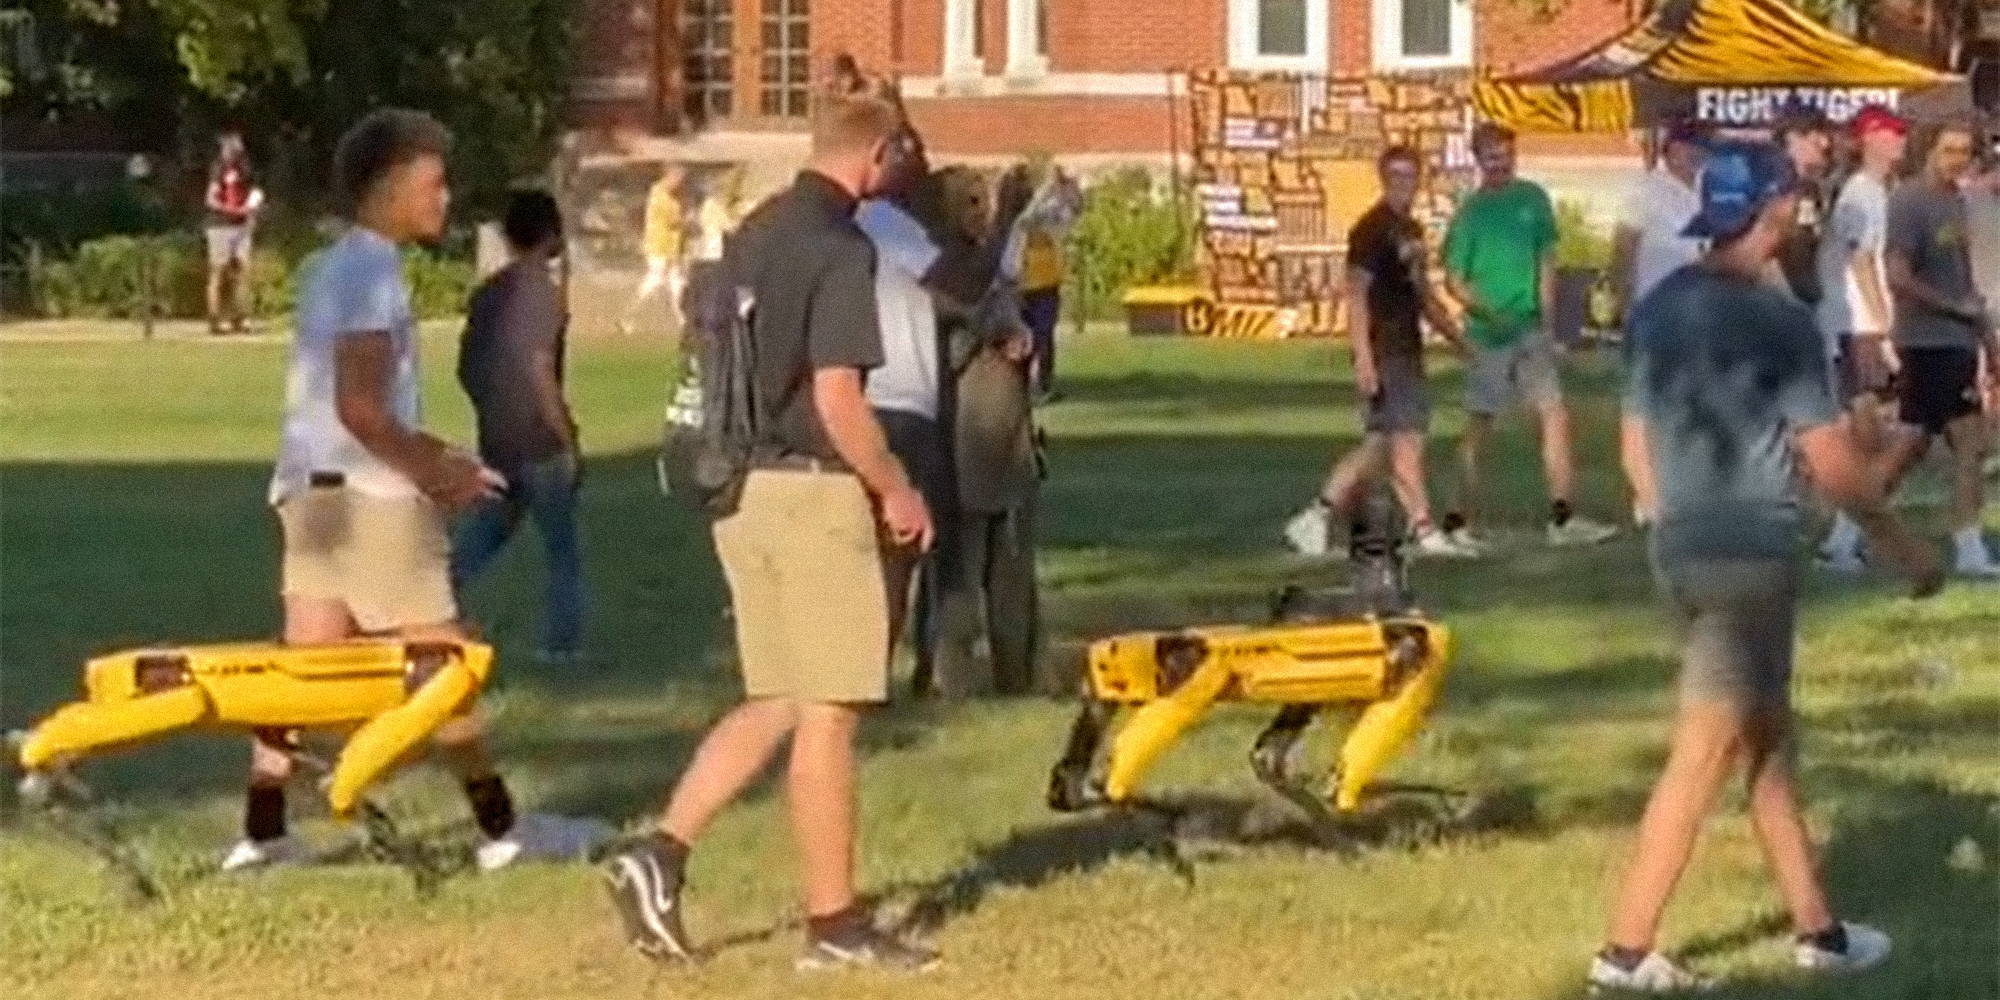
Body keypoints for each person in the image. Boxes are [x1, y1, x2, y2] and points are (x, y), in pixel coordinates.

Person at [603, 73, 943, 971]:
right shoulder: (842, 249)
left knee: (779, 697)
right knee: (830, 713)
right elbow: (839, 399)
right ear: (876, 155)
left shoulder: (756, 231)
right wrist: (896, 486)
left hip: (741, 488)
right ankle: (834, 928)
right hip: (811, 492)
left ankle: (659, 852)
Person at [1593, 140, 1944, 993]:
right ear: (1778, 210)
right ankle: (1626, 953)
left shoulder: (1660, 306)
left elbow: (1635, 442)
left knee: (1768, 746)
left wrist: (1667, 517)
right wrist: (1904, 550)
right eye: (1793, 203)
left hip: (1679, 550)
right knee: (1707, 747)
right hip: (1747, 560)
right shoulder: (1779, 323)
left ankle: (1818, 932)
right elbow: (1833, 467)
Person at [237, 109, 607, 875]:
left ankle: (264, 832)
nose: (446, 198)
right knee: (447, 666)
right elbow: (362, 409)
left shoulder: (330, 267)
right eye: (434, 183)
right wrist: (441, 471)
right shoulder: (372, 274)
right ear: (389, 188)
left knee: (297, 675)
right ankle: (501, 829)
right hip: (373, 502)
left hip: (312, 496)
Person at [1283, 145, 1476, 560]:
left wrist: (1456, 338)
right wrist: (1364, 358)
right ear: (1383, 177)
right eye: (1397, 175)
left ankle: (1319, 516)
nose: (1405, 183)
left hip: (1407, 346)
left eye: (1412, 175)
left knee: (1382, 445)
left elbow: (1423, 293)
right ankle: (1421, 527)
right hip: (1384, 348)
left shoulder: (1412, 231)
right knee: (1404, 443)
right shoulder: (1370, 230)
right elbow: (1355, 296)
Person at [1441, 121, 1621, 550]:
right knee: (1480, 423)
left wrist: (1546, 319)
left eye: (1506, 154)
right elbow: (1454, 280)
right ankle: (1454, 518)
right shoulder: (1470, 213)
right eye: (1491, 156)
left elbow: (1546, 260)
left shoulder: (1533, 199)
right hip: (1488, 334)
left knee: (1554, 414)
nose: (1500, 163)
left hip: (1531, 330)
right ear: (1478, 160)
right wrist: (1490, 313)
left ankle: (1563, 514)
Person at [451, 190, 586, 663]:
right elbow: (540, 368)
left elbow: (466, 369)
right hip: (539, 441)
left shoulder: (490, 294)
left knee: (488, 531)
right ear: (551, 233)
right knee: (561, 546)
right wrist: (563, 434)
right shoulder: (542, 294)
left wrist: (492, 408)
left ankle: (437, 597)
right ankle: (562, 641)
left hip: (499, 439)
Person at [1878, 118, 2000, 577]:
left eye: (1964, 152)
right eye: (1948, 150)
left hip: (1958, 340)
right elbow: (1897, 275)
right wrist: (1952, 308)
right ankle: (1967, 546)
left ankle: (1846, 532)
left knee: (1911, 443)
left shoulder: (1958, 202)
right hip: (1928, 341)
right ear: (1928, 150)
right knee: (1969, 444)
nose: (1956, 160)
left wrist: (1985, 336)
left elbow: (1965, 281)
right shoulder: (1910, 201)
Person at [1815, 106, 1909, 573]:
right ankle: (1843, 538)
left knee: (1875, 436)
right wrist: (1886, 323)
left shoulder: (1879, 192)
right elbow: (1860, 263)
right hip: (1856, 323)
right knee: (1870, 435)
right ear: (1871, 138)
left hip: (1862, 323)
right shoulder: (1861, 193)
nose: (1901, 142)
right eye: (1893, 134)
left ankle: (1847, 536)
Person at [1610, 118, 1711, 528]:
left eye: (1701, 148)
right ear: (1670, 150)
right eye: (1690, 147)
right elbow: (1622, 250)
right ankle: (1647, 500)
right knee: (1644, 407)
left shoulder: (1707, 190)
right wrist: (1623, 302)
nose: (1696, 155)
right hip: (1653, 311)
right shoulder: (1645, 191)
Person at [1004, 164, 1081, 403]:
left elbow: (1070, 213)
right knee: (1021, 339)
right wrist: (1049, 186)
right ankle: (1020, 387)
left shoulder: (1046, 216)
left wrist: (1067, 190)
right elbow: (1031, 214)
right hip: (1022, 287)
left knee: (1044, 337)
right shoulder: (1018, 221)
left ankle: (1044, 386)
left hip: (1047, 285)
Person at [1772, 105, 1838, 305]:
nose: (1825, 143)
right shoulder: (1771, 183)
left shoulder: (1809, 188)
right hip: (1778, 301)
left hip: (1806, 297)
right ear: (1793, 137)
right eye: (1816, 135)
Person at [205, 130, 263, 335]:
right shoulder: (218, 169)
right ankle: (214, 319)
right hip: (220, 225)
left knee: (242, 272)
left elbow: (255, 192)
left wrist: (250, 210)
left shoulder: (246, 168)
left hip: (241, 225)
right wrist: (228, 209)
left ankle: (242, 318)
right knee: (218, 271)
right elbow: (211, 199)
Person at [623, 163, 687, 335]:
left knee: (677, 284)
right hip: (659, 245)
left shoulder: (674, 195)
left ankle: (683, 322)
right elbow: (672, 220)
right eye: (678, 179)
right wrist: (685, 220)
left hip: (672, 246)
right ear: (669, 176)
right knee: (655, 281)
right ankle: (629, 315)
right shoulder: (659, 194)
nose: (680, 183)